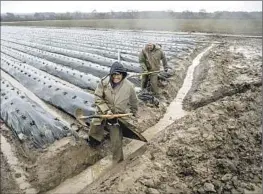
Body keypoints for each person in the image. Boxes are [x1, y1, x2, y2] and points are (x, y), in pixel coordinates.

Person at [88, 61, 139, 163]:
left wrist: (134, 112)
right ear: (111, 74)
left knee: (116, 139)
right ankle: (94, 142)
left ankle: (117, 162)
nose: (116, 77)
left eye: (119, 74)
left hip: (117, 115)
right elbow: (98, 97)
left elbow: (134, 100)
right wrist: (106, 111)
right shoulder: (104, 83)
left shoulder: (129, 86)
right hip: (103, 111)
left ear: (123, 75)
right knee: (95, 126)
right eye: (114, 74)